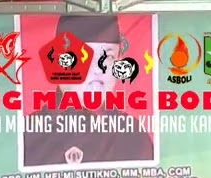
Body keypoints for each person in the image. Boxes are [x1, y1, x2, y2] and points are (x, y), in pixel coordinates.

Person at [21, 15, 154, 168]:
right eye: (84, 56)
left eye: (108, 56)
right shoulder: (27, 135)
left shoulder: (133, 136)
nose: (99, 68)